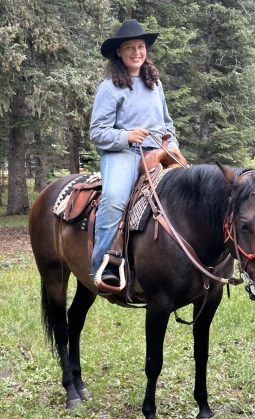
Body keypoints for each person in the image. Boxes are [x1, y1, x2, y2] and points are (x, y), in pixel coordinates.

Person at [90, 19, 182, 290]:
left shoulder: (155, 84)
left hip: (159, 149)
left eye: (140, 47)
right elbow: (97, 132)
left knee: (191, 191)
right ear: (118, 52)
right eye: (129, 47)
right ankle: (103, 266)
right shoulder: (109, 88)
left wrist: (172, 144)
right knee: (115, 199)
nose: (136, 52)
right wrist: (125, 136)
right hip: (123, 153)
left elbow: (167, 123)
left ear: (146, 50)